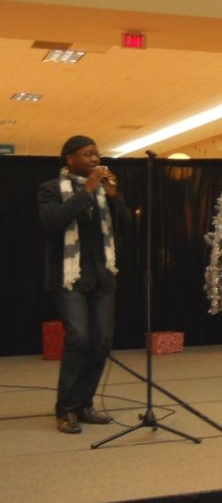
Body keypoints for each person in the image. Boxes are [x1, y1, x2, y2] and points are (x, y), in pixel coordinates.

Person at [38, 135, 131, 434]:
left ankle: (84, 404)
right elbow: (53, 222)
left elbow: (127, 226)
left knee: (102, 340)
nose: (94, 159)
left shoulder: (105, 190)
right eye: (87, 154)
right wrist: (87, 190)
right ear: (70, 158)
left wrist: (114, 196)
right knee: (78, 337)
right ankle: (65, 408)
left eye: (96, 153)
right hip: (70, 277)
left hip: (102, 276)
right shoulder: (51, 190)